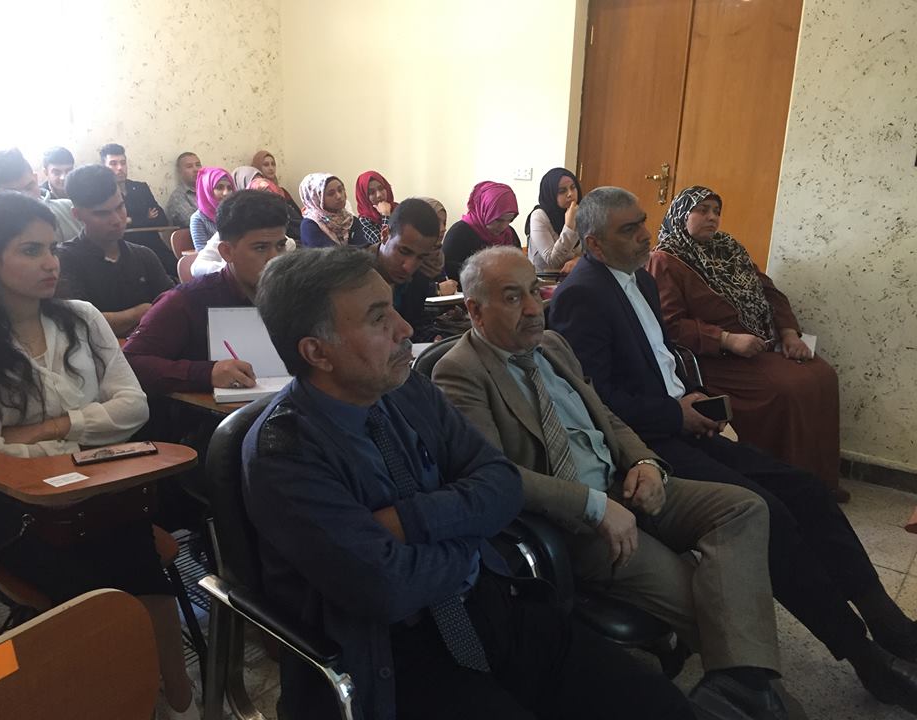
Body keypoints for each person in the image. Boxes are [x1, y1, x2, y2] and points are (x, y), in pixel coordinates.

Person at [243, 244, 694, 720]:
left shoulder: (407, 389)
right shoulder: (285, 453)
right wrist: (470, 544)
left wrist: (410, 521)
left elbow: (501, 481)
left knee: (661, 707)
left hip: (490, 605)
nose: (405, 329)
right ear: (317, 352)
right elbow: (387, 590)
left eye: (393, 308)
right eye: (378, 319)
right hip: (393, 653)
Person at [548, 186, 917, 715]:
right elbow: (597, 398)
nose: (646, 235)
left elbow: (662, 357)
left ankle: (889, 622)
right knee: (769, 514)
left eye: (644, 222)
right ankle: (862, 655)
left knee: (807, 490)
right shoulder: (581, 294)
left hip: (679, 418)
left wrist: (691, 395)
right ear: (594, 244)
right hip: (647, 441)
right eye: (629, 229)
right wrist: (674, 413)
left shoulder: (640, 279)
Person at [433, 246, 788, 718]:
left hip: (626, 482)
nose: (535, 308)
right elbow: (497, 476)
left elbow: (607, 416)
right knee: (709, 599)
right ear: (475, 310)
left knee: (745, 507)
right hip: (578, 520)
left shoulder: (554, 345)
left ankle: (741, 691)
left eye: (535, 292)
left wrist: (646, 463)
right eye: (513, 298)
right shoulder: (459, 371)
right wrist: (595, 506)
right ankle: (764, 703)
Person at [0, 192, 198, 719]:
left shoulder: (82, 319)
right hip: (22, 512)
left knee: (133, 560)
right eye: (31, 251)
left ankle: (169, 696)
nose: (51, 263)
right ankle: (133, 695)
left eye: (52, 248)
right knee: (108, 590)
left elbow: (134, 407)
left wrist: (47, 430)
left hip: (104, 496)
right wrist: (88, 440)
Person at [646, 186, 845, 500]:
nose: (712, 217)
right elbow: (669, 325)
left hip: (756, 348)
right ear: (682, 215)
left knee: (822, 376)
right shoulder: (665, 259)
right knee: (787, 389)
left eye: (716, 211)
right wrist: (726, 339)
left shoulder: (729, 250)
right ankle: (785, 491)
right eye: (702, 210)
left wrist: (789, 333)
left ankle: (819, 486)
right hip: (713, 358)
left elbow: (770, 292)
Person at [124, 190, 290, 394]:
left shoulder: (291, 296)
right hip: (213, 411)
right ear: (227, 252)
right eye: (260, 248)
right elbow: (131, 362)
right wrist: (206, 373)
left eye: (280, 246)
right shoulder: (186, 301)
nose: (274, 259)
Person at [56, 165, 174, 337]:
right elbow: (78, 323)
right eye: (102, 214)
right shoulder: (64, 260)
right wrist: (138, 313)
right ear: (77, 214)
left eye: (120, 207)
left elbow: (173, 306)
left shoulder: (144, 256)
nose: (117, 220)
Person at [99, 142, 177, 278]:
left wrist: (130, 220)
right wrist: (146, 218)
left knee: (179, 271)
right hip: (125, 248)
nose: (120, 168)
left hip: (154, 246)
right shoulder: (102, 194)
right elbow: (112, 225)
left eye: (123, 163)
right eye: (113, 164)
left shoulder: (141, 188)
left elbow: (162, 220)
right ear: (104, 167)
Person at [370, 199, 442, 342]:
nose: (409, 267)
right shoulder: (353, 275)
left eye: (420, 257)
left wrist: (434, 339)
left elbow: (416, 325)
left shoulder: (420, 276)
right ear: (385, 234)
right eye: (404, 251)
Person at [0, 148, 82, 244]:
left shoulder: (68, 208)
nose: (26, 198)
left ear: (35, 178)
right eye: (14, 194)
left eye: (29, 187)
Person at [443, 180, 521, 282]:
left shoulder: (509, 234)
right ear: (483, 210)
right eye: (498, 220)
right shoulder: (459, 233)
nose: (504, 226)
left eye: (509, 220)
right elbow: (450, 272)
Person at [525, 167, 583, 273]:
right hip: (545, 279)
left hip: (574, 276)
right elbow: (552, 261)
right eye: (562, 191)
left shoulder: (579, 211)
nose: (570, 194)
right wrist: (569, 227)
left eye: (573, 187)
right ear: (550, 194)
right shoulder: (539, 216)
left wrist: (579, 260)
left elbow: (590, 250)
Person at [298, 172, 368, 247]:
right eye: (331, 194)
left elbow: (364, 247)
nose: (339, 196)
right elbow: (330, 253)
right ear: (317, 199)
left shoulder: (350, 220)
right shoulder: (310, 225)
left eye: (340, 190)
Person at [234, 164, 302, 239]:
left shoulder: (279, 203)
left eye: (260, 177)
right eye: (253, 179)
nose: (260, 182)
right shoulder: (241, 220)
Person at [416, 196, 459, 296]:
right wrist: (436, 290)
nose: (443, 229)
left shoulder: (437, 254)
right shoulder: (409, 255)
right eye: (436, 222)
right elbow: (404, 292)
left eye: (444, 222)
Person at [189, 166, 234, 252]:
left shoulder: (236, 214)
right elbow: (203, 253)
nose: (226, 193)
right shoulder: (198, 219)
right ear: (207, 189)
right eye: (219, 188)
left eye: (229, 188)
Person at [355, 170, 396, 245]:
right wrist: (386, 215)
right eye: (372, 192)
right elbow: (383, 245)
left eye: (381, 188)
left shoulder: (398, 208)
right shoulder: (364, 221)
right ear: (364, 197)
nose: (379, 195)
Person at [164, 152, 202, 228]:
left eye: (198, 165)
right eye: (189, 166)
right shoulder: (178, 197)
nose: (196, 169)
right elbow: (195, 222)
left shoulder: (210, 191)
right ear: (180, 172)